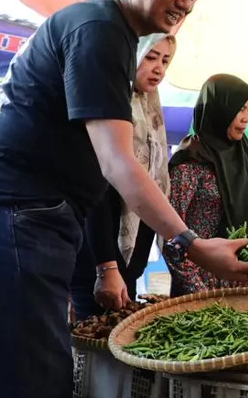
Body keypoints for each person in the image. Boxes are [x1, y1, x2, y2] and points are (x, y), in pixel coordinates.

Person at [0, 0, 248, 398]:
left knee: (23, 362)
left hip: (37, 214)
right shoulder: (98, 30)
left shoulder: (109, 33)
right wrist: (192, 246)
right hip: (22, 212)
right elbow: (117, 163)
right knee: (31, 374)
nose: (186, 2)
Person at [70, 33, 175, 320]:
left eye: (165, 60)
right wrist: (107, 267)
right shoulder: (110, 109)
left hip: (128, 265)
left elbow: (153, 187)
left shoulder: (152, 114)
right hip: (97, 258)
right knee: (93, 348)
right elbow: (100, 193)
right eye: (150, 57)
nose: (159, 69)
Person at [166, 74, 248, 296]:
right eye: (239, 109)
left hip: (247, 287)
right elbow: (171, 236)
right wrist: (200, 292)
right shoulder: (191, 162)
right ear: (218, 108)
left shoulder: (246, 158)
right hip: (203, 289)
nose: (246, 118)